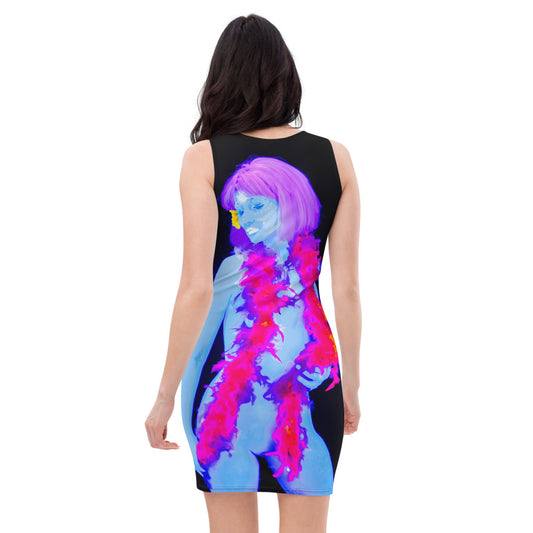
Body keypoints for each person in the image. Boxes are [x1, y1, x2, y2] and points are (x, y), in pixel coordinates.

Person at [145, 13, 361, 533]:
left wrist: (165, 396)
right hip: (295, 386)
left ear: (221, 79)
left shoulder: (203, 159)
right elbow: (347, 289)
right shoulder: (336, 158)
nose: (245, 220)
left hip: (244, 389)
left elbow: (196, 289)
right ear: (285, 75)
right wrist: (351, 386)